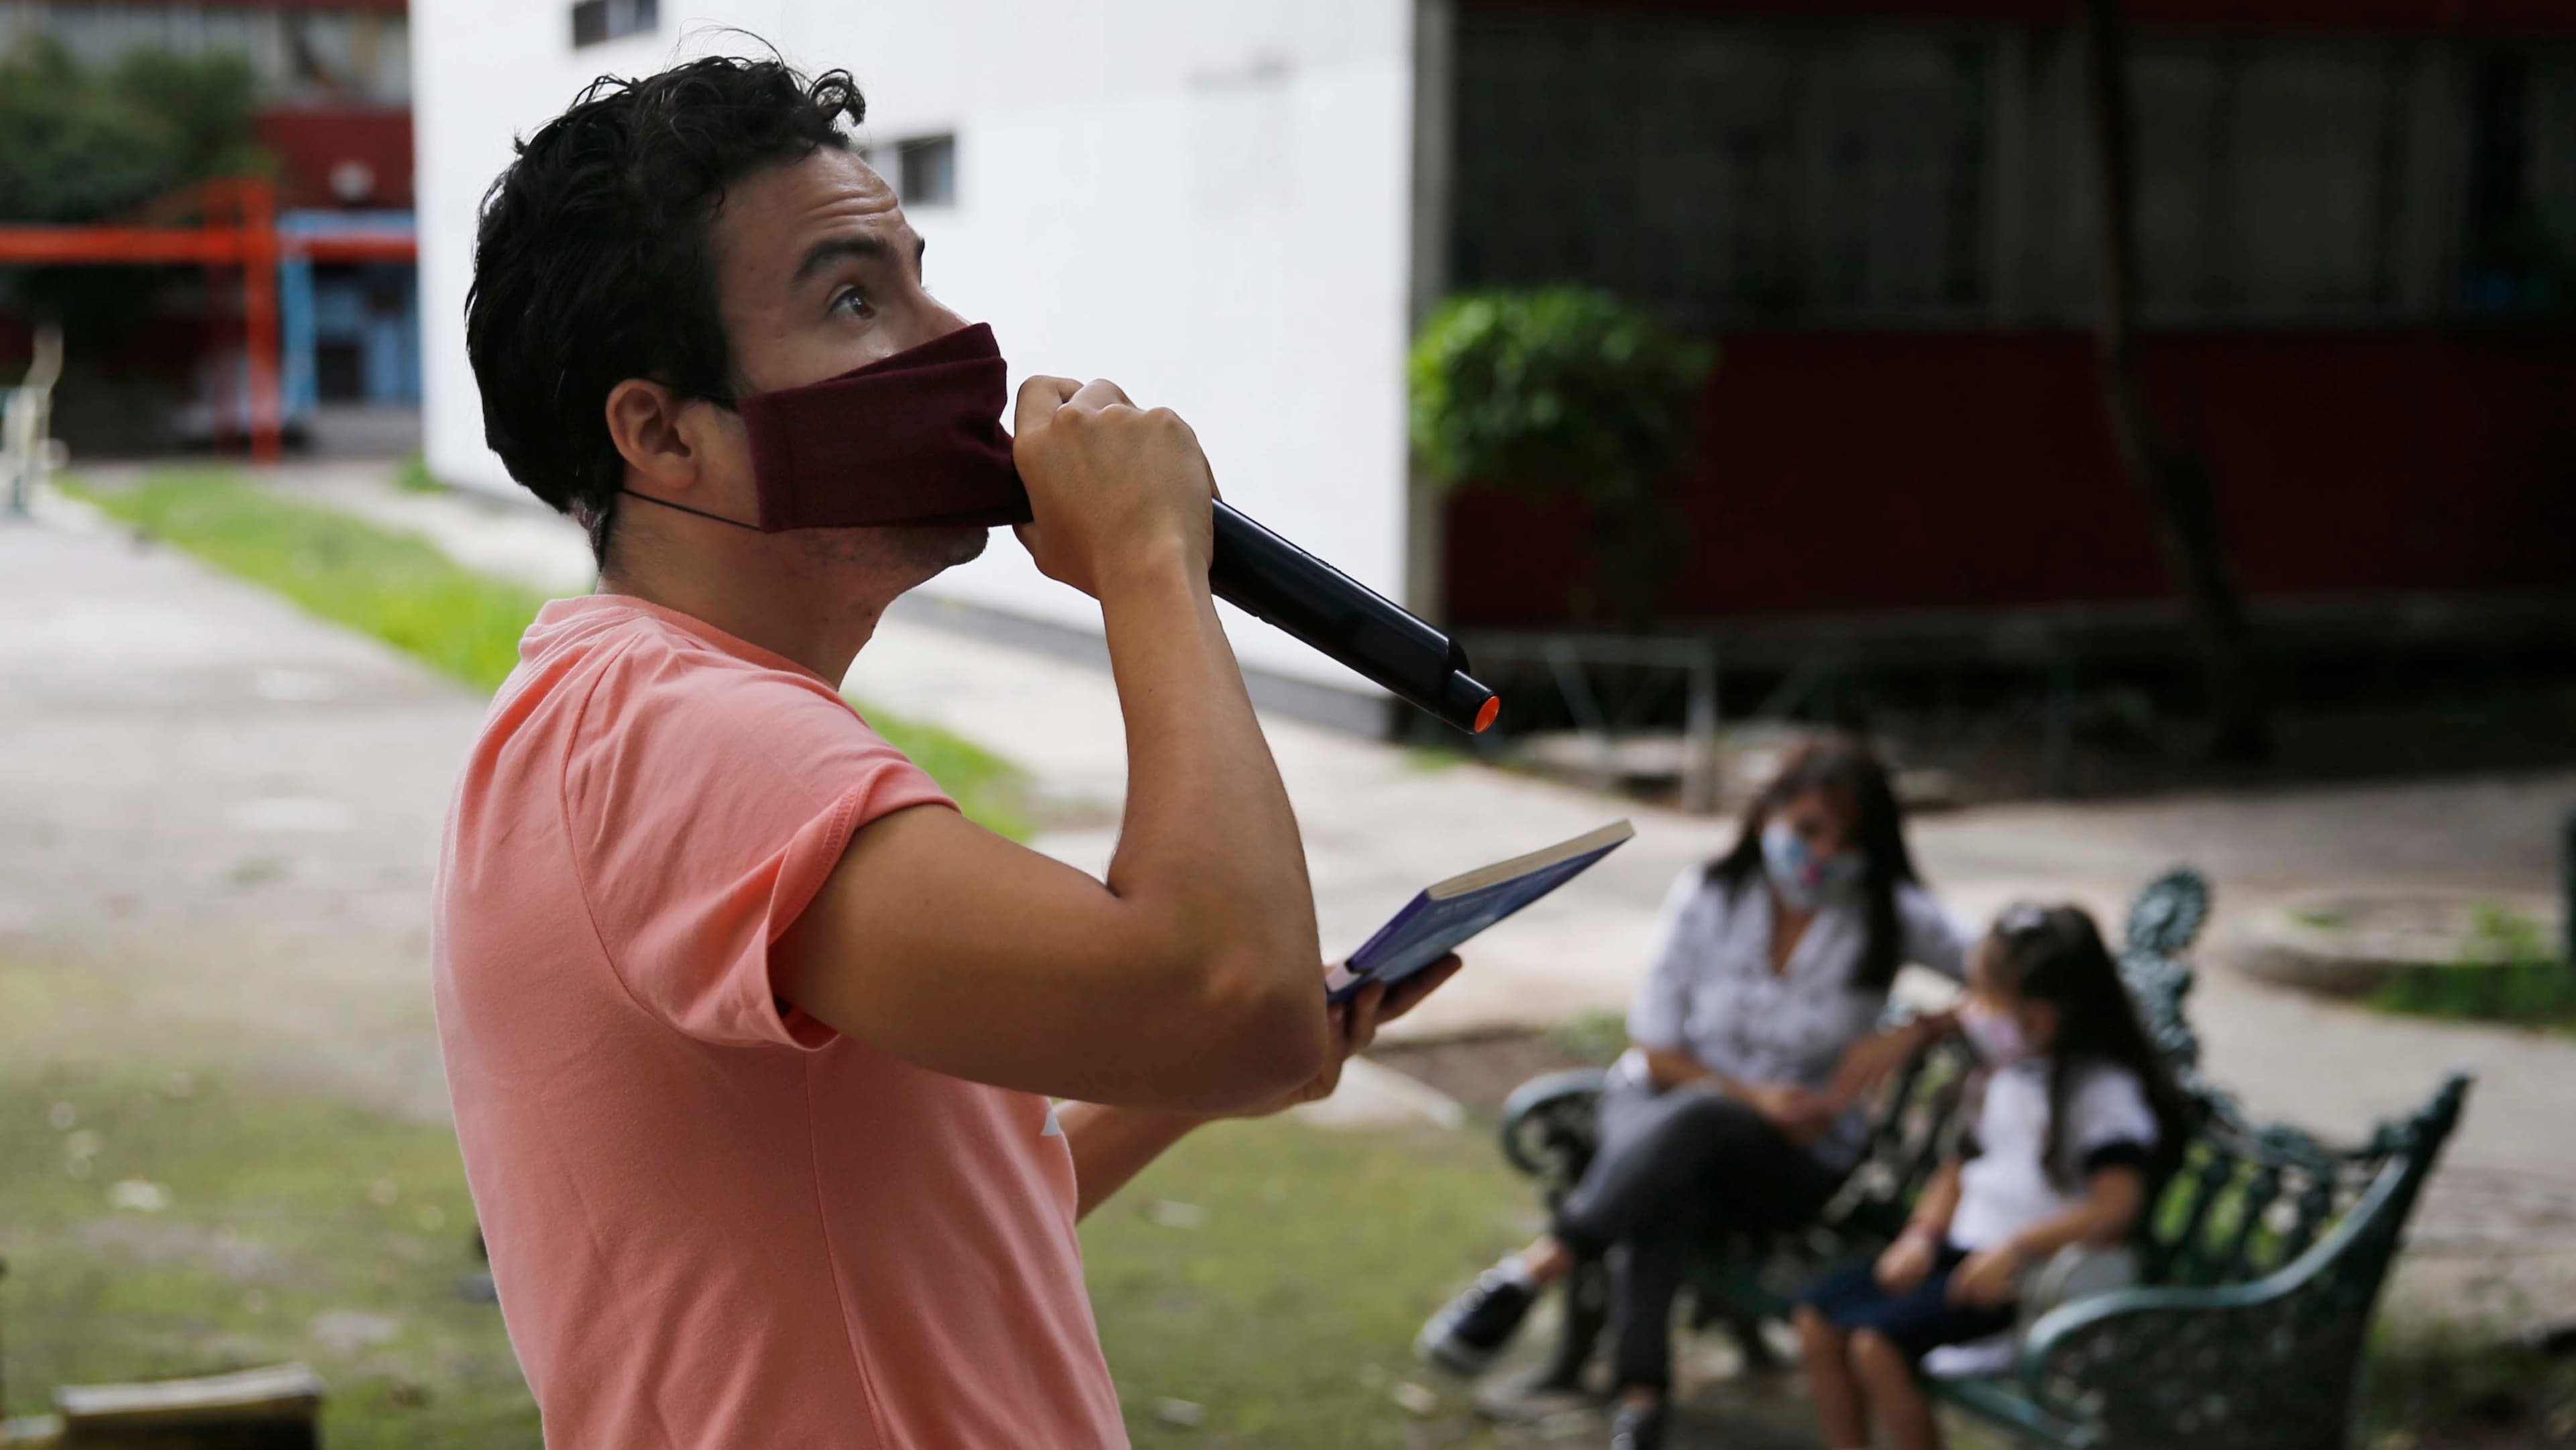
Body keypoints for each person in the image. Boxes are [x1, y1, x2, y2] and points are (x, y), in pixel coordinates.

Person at [435, 54, 1458, 1447]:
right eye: (857, 300)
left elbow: (943, 1214)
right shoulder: (687, 735)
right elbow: (1230, 994)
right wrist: (1153, 560)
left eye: (922, 275)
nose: (953, 336)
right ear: (662, 432)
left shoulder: (637, 717)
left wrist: (1208, 1074)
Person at [1416, 735, 1971, 1450]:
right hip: (1660, 1111)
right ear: (1769, 813)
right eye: (1808, 829)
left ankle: (1535, 1272)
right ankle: (1641, 1405)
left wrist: (1918, 1031)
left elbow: (2007, 973)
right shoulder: (1712, 893)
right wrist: (1754, 1097)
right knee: (1678, 1171)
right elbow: (1656, 1044)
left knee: (1695, 1130)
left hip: (1789, 1159)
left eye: (1848, 837)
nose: (1824, 852)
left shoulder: (1888, 914)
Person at [1793, 903, 2189, 1450]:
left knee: (1876, 1346)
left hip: (2025, 1281)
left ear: (2043, 1014)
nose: (1972, 1012)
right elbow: (1958, 1168)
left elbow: (2115, 1204)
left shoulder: (2101, 1094)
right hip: (1960, 1253)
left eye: (1984, 998)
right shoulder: (2003, 1073)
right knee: (1817, 1317)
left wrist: (2017, 1249)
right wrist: (1920, 1235)